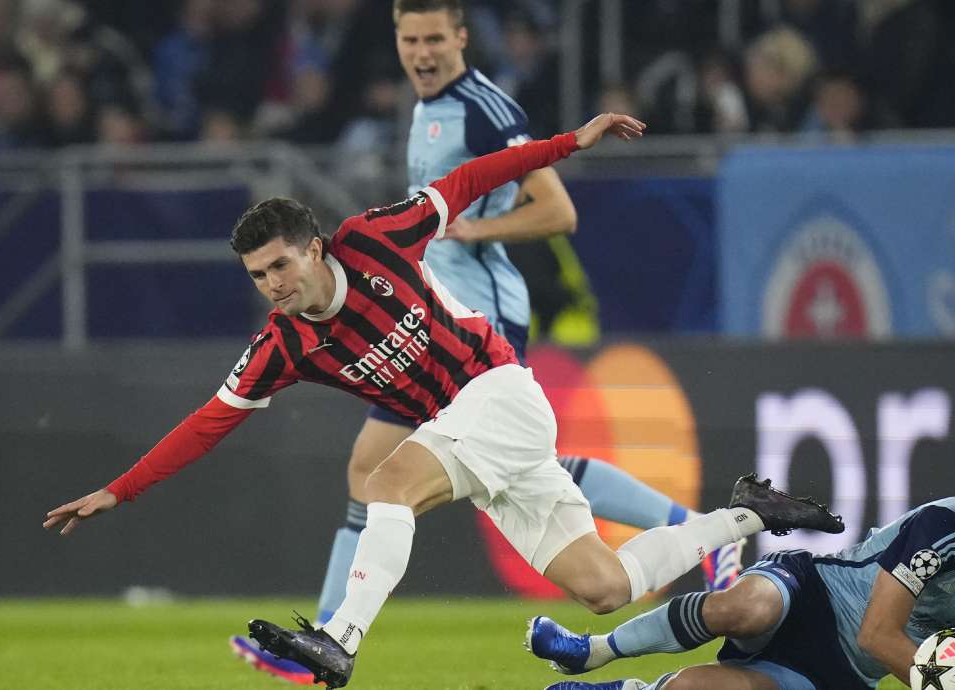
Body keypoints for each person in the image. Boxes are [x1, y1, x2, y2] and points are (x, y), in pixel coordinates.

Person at [43, 112, 847, 690]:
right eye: (258, 276)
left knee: (386, 481)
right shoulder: (282, 346)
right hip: (474, 435)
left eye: (282, 266)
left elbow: (470, 179)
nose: (274, 285)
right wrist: (120, 489)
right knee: (604, 587)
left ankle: (340, 638)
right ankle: (745, 516)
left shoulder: (376, 237)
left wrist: (571, 142)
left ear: (315, 249)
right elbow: (206, 424)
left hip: (500, 392)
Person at [241, 0, 745, 682]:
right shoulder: (428, 110)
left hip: (478, 317)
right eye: (409, 40)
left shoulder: (483, 109)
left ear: (461, 38)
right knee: (444, 468)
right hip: (425, 324)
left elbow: (557, 210)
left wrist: (473, 230)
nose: (421, 53)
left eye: (434, 39)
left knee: (389, 469)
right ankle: (325, 637)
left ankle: (328, 639)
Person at [529, 456, 955, 690]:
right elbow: (877, 635)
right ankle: (592, 651)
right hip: (813, 593)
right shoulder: (945, 528)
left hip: (838, 677)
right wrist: (944, 686)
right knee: (741, 607)